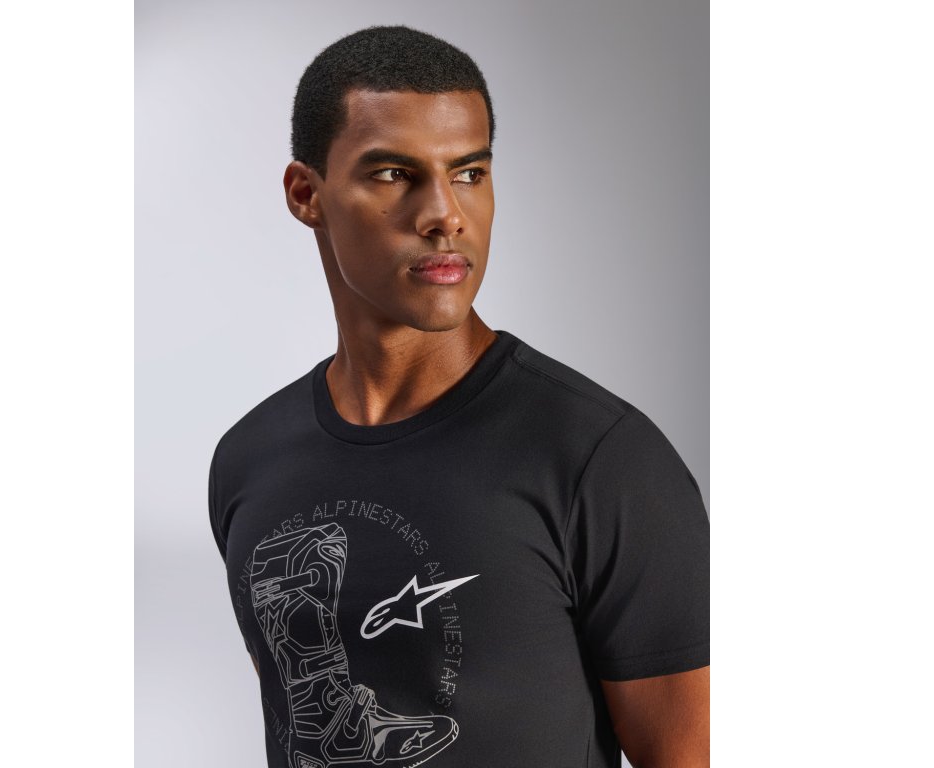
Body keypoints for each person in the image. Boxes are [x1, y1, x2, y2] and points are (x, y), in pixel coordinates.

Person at [209, 25, 709, 768]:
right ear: (307, 195)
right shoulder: (250, 461)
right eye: (394, 174)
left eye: (469, 172)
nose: (445, 214)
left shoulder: (600, 460)